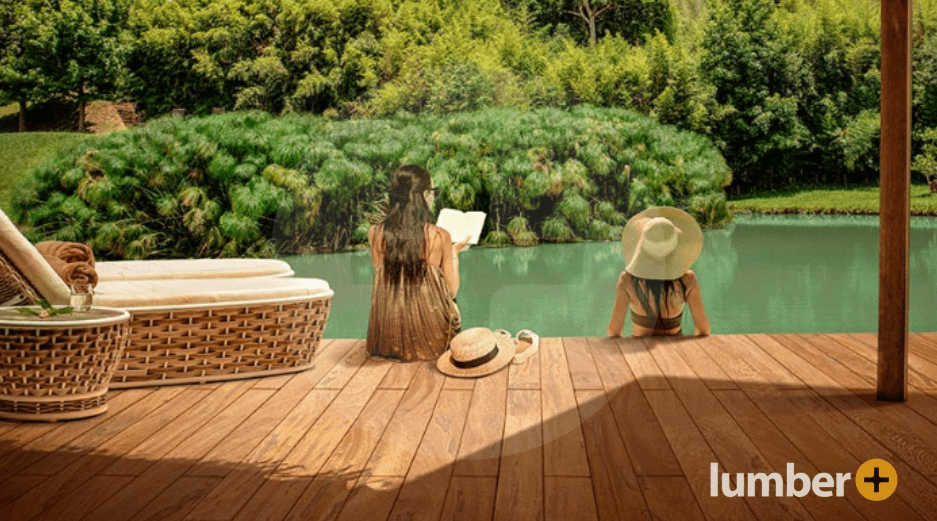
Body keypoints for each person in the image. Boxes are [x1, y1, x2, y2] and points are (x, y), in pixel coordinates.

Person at [367, 165, 471, 362]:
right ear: (424, 195)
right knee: (453, 305)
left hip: (387, 339)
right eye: (434, 191)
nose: (434, 197)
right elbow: (451, 291)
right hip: (431, 341)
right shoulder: (440, 235)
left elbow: (389, 282)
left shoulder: (375, 233)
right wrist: (454, 253)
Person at [607, 206, 711, 338]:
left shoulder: (627, 280)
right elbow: (703, 329)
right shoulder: (687, 280)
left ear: (642, 245)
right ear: (675, 246)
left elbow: (613, 331)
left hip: (640, 352)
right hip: (675, 352)